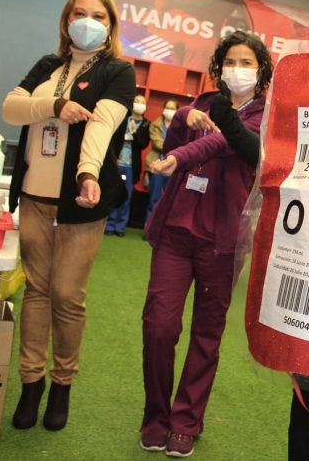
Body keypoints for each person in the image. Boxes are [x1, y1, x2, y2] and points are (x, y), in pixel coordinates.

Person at [2, 0, 135, 431]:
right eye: (80, 13)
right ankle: (31, 383)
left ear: (110, 25)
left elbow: (102, 125)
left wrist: (88, 173)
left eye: (98, 15)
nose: (88, 21)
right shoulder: (47, 65)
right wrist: (54, 104)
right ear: (66, 19)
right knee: (36, 292)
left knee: (65, 295)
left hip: (81, 200)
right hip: (35, 197)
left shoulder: (118, 71)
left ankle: (62, 385)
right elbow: (11, 109)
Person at [139, 30, 271, 457]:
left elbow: (227, 143)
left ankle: (185, 421)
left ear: (261, 71)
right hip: (177, 233)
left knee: (206, 335)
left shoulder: (267, 116)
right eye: (231, 61)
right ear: (218, 67)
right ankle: (156, 417)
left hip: (224, 241)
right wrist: (181, 121)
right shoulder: (198, 105)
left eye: (247, 62)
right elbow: (172, 148)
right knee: (159, 326)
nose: (238, 69)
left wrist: (182, 154)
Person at [105, 93, 149, 236]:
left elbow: (143, 144)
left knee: (127, 196)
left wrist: (135, 135)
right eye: (137, 101)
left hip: (131, 166)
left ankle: (120, 227)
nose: (139, 104)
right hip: (117, 163)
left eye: (142, 102)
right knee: (113, 194)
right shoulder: (123, 120)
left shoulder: (146, 124)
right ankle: (109, 224)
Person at [144, 98, 177, 226]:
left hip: (172, 167)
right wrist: (173, 146)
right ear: (163, 109)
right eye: (167, 108)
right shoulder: (155, 125)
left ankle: (160, 228)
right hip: (156, 165)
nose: (169, 110)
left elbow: (183, 144)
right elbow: (157, 143)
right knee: (154, 198)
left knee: (168, 199)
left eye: (172, 108)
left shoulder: (180, 126)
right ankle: (148, 226)